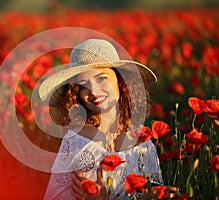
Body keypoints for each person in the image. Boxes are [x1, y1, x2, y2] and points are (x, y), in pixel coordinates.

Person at [39, 39, 178, 199]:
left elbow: (153, 193)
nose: (94, 91)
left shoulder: (143, 142)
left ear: (121, 81)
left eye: (101, 78)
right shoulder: (77, 143)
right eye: (84, 84)